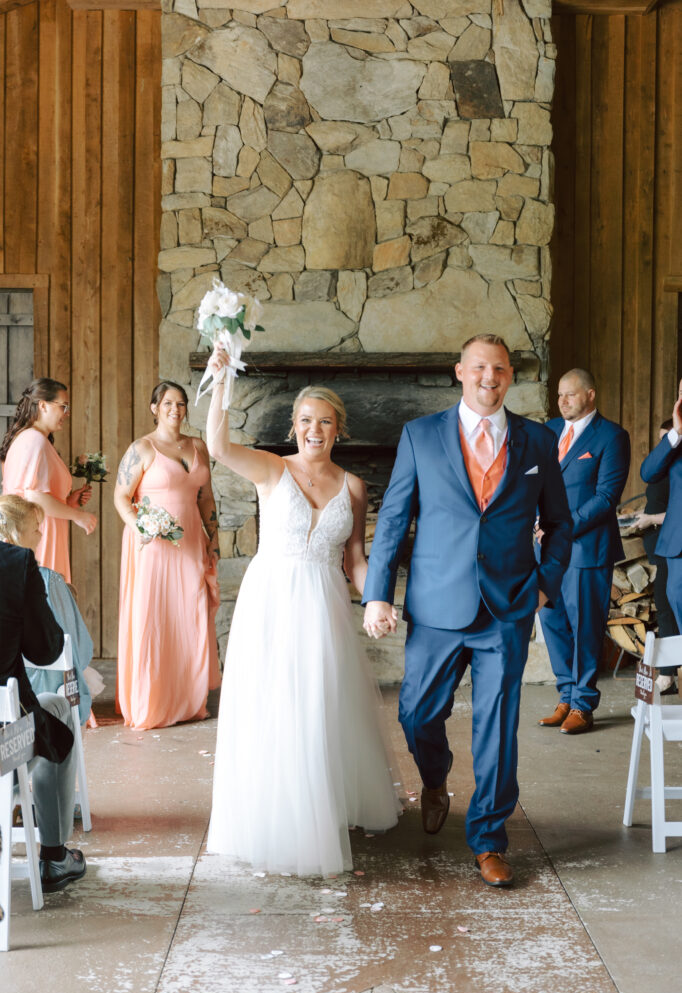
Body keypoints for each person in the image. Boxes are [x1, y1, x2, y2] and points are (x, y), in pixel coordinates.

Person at [363, 333, 572, 888]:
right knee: (416, 715)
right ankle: (435, 779)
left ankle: (488, 841)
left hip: (507, 608)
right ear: (460, 372)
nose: (489, 378)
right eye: (480, 367)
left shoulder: (536, 440)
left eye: (500, 369)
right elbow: (393, 520)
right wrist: (379, 592)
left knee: (498, 729)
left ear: (510, 376)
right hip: (435, 606)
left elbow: (560, 523)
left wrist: (545, 586)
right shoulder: (421, 435)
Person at [204, 350, 401, 877]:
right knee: (274, 705)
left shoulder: (354, 487)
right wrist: (222, 379)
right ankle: (276, 817)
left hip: (325, 605)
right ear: (294, 428)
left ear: (339, 429)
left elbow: (355, 558)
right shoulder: (272, 469)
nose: (316, 430)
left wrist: (377, 600)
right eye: (307, 421)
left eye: (326, 422)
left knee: (319, 702)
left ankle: (323, 808)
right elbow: (217, 446)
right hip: (271, 599)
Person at [114, 381, 220, 730]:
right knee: (154, 618)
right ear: (154, 407)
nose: (176, 409)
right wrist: (140, 527)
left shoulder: (199, 446)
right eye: (168, 403)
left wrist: (213, 539)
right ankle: (152, 703)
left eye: (181, 403)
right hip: (153, 549)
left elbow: (205, 498)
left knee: (189, 614)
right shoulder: (141, 448)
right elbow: (121, 497)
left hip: (190, 542)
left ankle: (189, 702)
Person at [537, 369, 631, 734]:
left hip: (586, 549)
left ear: (590, 395)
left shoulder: (611, 436)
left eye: (570, 395)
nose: (562, 401)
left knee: (585, 628)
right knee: (553, 623)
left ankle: (583, 705)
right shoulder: (546, 431)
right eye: (559, 395)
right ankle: (565, 697)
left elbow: (606, 498)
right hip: (544, 550)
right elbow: (529, 482)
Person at [0, 505, 85, 892]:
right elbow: (47, 651)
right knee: (59, 709)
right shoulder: (17, 564)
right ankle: (54, 857)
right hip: (5, 743)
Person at [0, 495, 93, 725]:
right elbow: (71, 649)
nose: (41, 535)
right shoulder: (46, 579)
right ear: (15, 534)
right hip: (24, 699)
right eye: (35, 529)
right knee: (63, 707)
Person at [0, 378, 97, 583]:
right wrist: (77, 515)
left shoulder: (32, 439)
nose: (67, 413)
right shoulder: (34, 440)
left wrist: (67, 502)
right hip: (38, 532)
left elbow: (38, 494)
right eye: (63, 406)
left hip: (41, 528)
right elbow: (34, 497)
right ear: (42, 405)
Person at [633, 419, 678, 694]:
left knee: (668, 607)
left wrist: (651, 519)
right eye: (663, 440)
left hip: (674, 544)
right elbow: (647, 472)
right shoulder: (660, 468)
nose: (666, 445)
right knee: (664, 607)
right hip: (661, 546)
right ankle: (670, 673)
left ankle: (669, 673)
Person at [641, 379, 682, 637]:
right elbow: (648, 472)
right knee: (674, 601)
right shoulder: (676, 440)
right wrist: (675, 432)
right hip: (677, 544)